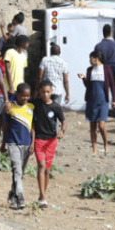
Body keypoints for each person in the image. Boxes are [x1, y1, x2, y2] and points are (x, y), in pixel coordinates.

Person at [32, 80, 67, 208]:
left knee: (47, 170)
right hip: (39, 141)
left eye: (47, 92)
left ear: (51, 91)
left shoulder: (56, 107)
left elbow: (64, 122)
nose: (45, 94)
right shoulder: (35, 103)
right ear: (39, 92)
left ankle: (43, 194)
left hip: (51, 142)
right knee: (41, 166)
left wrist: (62, 131)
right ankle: (42, 195)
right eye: (42, 92)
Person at [0, 83, 34, 209]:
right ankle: (20, 196)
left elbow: (33, 128)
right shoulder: (10, 108)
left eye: (27, 96)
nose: (25, 98)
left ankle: (12, 195)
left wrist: (33, 143)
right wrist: (3, 143)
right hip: (13, 142)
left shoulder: (31, 108)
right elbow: (5, 126)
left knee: (19, 172)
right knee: (17, 169)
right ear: (17, 95)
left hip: (26, 143)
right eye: (22, 96)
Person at [78, 50, 115, 156]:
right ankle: (94, 150)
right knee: (92, 127)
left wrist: (114, 99)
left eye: (90, 58)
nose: (89, 61)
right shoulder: (90, 70)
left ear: (96, 58)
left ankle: (105, 145)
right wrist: (83, 78)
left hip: (103, 101)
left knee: (102, 125)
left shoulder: (107, 69)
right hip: (91, 101)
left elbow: (112, 85)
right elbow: (88, 85)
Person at [95, 24, 115, 97]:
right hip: (114, 69)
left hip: (103, 70)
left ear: (103, 33)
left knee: (104, 90)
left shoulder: (98, 46)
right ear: (110, 33)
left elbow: (97, 60)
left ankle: (104, 106)